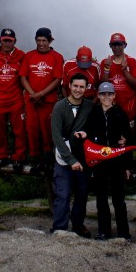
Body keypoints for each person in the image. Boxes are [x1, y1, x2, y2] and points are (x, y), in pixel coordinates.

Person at [50, 73, 97, 236]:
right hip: (63, 157)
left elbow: (96, 128)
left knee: (82, 193)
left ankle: (78, 225)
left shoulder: (90, 106)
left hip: (83, 158)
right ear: (69, 86)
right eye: (75, 86)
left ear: (86, 88)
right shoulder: (59, 107)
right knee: (62, 194)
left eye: (82, 87)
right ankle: (59, 227)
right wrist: (70, 160)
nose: (78, 90)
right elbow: (56, 136)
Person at [87, 81, 132, 240]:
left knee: (119, 198)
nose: (106, 97)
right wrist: (90, 162)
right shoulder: (93, 113)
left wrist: (127, 165)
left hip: (117, 161)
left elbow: (127, 140)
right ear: (98, 96)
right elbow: (89, 138)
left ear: (114, 96)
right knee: (101, 197)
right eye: (103, 94)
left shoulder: (120, 114)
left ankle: (123, 232)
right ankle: (104, 230)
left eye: (110, 94)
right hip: (100, 161)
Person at [20, 27, 65, 173]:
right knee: (32, 129)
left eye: (44, 40)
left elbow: (57, 79)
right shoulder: (29, 56)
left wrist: (41, 94)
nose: (41, 43)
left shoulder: (57, 57)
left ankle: (48, 160)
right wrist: (34, 94)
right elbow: (23, 77)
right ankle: (36, 160)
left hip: (48, 101)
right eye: (38, 40)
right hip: (31, 101)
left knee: (47, 130)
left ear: (50, 41)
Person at [0, 28, 27, 168]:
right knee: (0, 130)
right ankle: (1, 156)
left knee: (19, 131)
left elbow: (25, 77)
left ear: (15, 41)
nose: (7, 44)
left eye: (10, 41)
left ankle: (19, 158)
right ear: (0, 40)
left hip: (16, 100)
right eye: (5, 41)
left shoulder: (21, 56)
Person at [99, 32, 136, 121]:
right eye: (114, 45)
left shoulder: (132, 61)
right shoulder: (105, 62)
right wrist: (106, 69)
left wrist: (125, 70)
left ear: (125, 45)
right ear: (110, 46)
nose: (117, 47)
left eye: (119, 44)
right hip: (109, 108)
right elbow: (102, 86)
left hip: (128, 109)